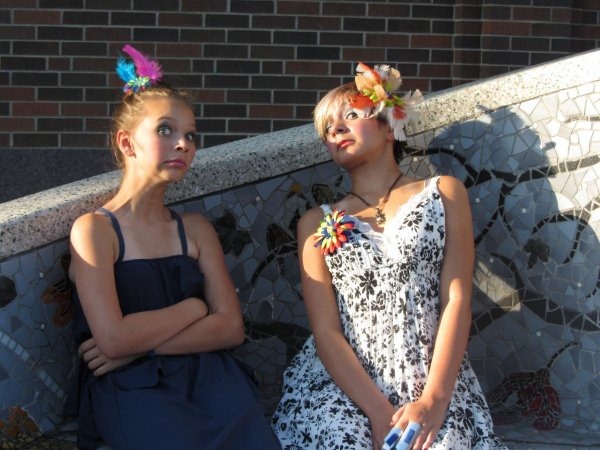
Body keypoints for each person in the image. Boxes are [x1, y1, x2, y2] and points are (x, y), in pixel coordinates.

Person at [271, 62, 507, 450]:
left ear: (388, 125)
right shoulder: (315, 222)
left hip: (429, 378)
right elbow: (326, 331)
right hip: (344, 387)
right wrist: (379, 413)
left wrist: (433, 400)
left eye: (350, 115)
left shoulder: (443, 193)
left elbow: (456, 298)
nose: (336, 130)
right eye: (327, 128)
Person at [66, 44, 281, 450]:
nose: (183, 144)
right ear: (127, 143)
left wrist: (142, 349)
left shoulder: (195, 230)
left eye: (190, 135)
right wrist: (194, 309)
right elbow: (113, 340)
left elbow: (230, 328)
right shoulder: (95, 230)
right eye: (165, 130)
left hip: (210, 380)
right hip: (132, 388)